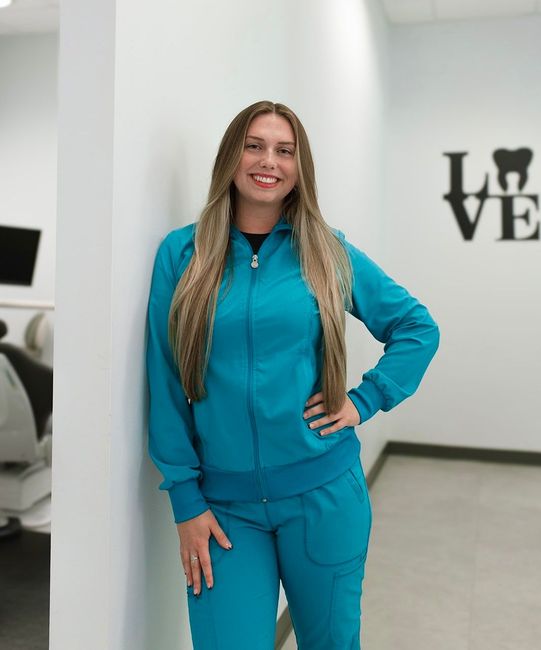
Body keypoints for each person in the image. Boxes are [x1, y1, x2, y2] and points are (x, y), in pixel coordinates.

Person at [145, 100, 440, 649]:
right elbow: (163, 381)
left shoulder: (327, 251)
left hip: (324, 498)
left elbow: (417, 327)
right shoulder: (181, 254)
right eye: (254, 145)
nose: (269, 161)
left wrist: (366, 399)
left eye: (285, 150)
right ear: (231, 156)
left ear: (300, 167)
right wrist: (185, 499)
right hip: (222, 513)